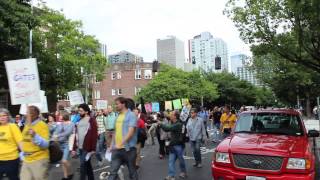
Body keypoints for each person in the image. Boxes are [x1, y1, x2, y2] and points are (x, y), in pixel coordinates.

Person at [108, 97, 138, 180]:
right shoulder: (117, 116)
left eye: (117, 104)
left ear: (123, 104)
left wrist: (120, 144)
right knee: (112, 172)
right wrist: (111, 145)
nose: (115, 106)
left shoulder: (131, 115)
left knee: (132, 173)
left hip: (128, 149)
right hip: (116, 149)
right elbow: (115, 132)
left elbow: (130, 132)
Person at [20, 106, 50, 180]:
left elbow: (46, 144)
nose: (26, 115)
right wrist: (21, 153)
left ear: (36, 115)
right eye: (26, 113)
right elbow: (23, 141)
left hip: (39, 159)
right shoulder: (27, 125)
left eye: (29, 113)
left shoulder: (42, 125)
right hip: (26, 160)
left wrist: (35, 135)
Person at [72, 104, 98, 180]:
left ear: (86, 111)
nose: (79, 112)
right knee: (87, 165)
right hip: (80, 147)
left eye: (81, 111)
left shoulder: (91, 120)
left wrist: (93, 148)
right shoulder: (79, 120)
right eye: (78, 111)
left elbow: (94, 135)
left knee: (83, 167)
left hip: (87, 147)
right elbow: (76, 134)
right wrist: (74, 147)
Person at [158, 110, 187, 180]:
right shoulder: (174, 123)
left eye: (171, 114)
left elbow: (168, 128)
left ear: (175, 116)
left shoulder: (178, 124)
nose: (170, 115)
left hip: (179, 145)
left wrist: (161, 124)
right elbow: (168, 127)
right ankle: (171, 175)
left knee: (181, 160)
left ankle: (183, 172)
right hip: (173, 145)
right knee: (171, 161)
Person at [0, 108, 23, 180]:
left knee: (13, 178)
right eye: (0, 116)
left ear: (8, 116)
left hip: (11, 159)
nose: (2, 117)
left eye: (4, 115)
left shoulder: (13, 126)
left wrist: (25, 154)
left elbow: (20, 142)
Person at [53, 111, 75, 180]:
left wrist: (57, 135)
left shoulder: (71, 124)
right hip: (60, 144)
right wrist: (54, 134)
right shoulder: (60, 124)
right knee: (63, 162)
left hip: (66, 144)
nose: (59, 116)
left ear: (64, 115)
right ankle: (66, 176)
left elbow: (67, 133)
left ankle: (71, 172)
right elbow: (56, 131)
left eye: (60, 115)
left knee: (64, 161)